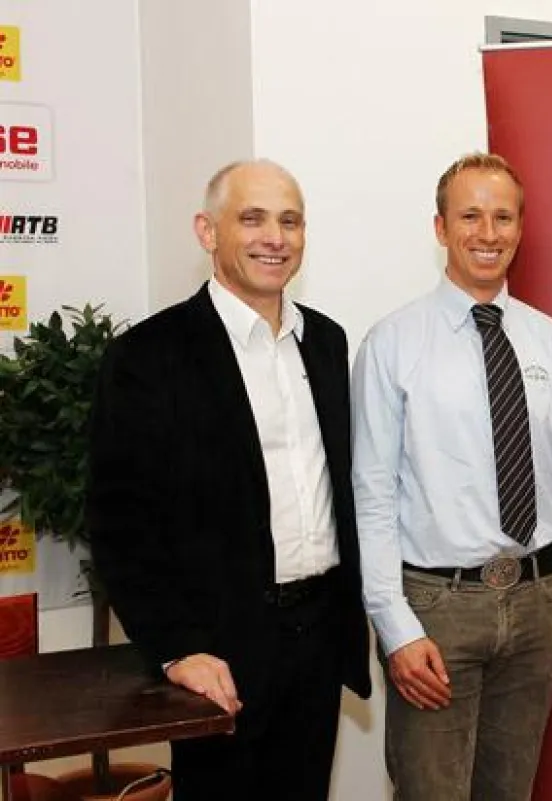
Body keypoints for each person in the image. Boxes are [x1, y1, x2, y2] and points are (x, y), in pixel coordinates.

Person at [87, 160, 370, 801]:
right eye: (253, 218)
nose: (275, 237)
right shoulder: (148, 357)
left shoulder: (325, 342)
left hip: (318, 638)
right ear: (207, 232)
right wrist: (178, 649)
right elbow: (119, 521)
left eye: (290, 221)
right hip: (220, 650)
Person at [352, 152, 552, 801]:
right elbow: (373, 494)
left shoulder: (548, 340)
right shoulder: (392, 343)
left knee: (510, 791)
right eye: (470, 215)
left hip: (534, 604)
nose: (487, 232)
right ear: (440, 228)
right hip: (435, 612)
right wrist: (396, 628)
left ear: (520, 229)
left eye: (502, 217)